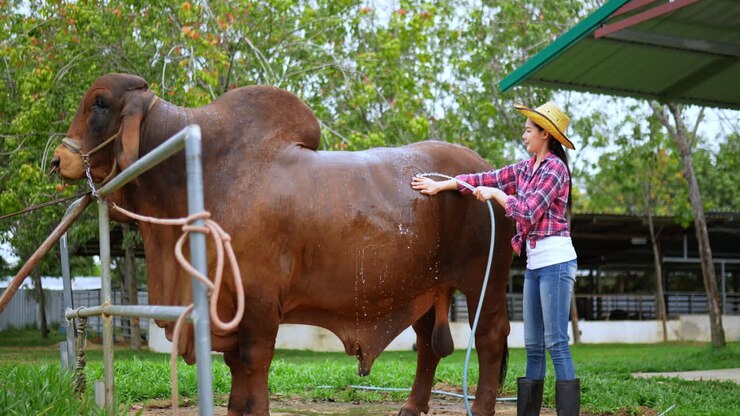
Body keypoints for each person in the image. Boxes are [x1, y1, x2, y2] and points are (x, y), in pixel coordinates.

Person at [411, 101, 580, 416]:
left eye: (530, 129)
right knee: (532, 345)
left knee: (555, 343)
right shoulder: (525, 168)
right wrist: (441, 185)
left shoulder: (555, 169)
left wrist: (497, 195)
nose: (525, 134)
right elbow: (481, 178)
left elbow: (527, 213)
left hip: (556, 263)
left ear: (546, 134)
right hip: (535, 264)